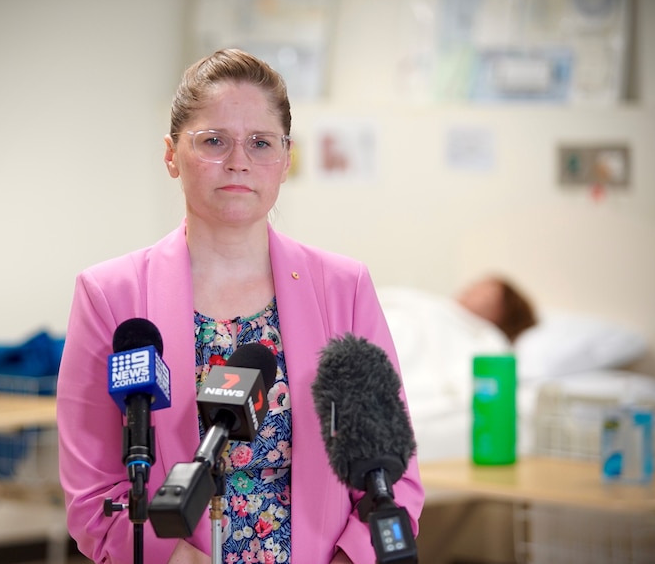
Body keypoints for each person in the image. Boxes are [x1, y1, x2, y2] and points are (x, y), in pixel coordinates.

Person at [56, 49, 424, 564]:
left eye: (260, 142)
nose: (238, 161)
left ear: (286, 157)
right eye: (212, 141)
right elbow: (95, 493)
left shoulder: (345, 288)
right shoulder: (110, 296)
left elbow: (393, 475)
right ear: (170, 155)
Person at [456, 275, 537, 343]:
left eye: (487, 296)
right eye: (478, 285)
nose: (473, 290)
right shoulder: (447, 309)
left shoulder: (490, 341)